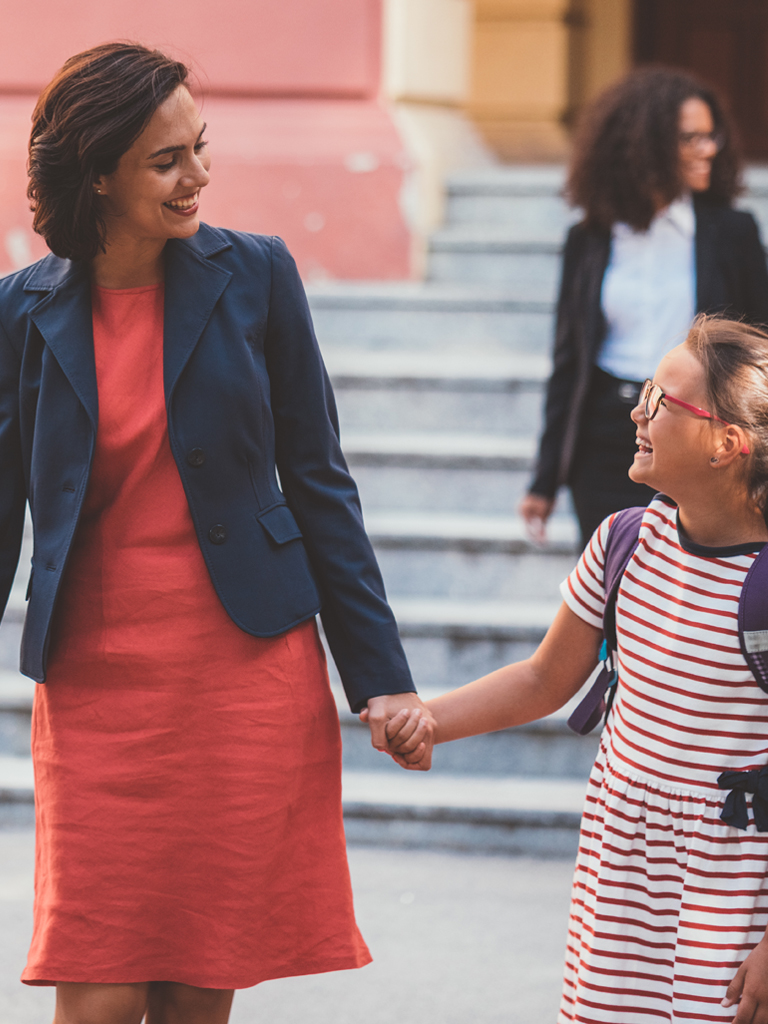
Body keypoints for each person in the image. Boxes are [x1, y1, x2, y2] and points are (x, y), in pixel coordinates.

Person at [0, 43, 434, 1024]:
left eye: (201, 147)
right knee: (98, 990)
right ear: (98, 172)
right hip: (97, 682)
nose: (198, 176)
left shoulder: (257, 275)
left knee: (198, 989)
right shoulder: (21, 311)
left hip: (242, 672)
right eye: (165, 161)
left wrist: (381, 676)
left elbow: (321, 482)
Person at [387, 314, 768, 1023]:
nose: (636, 410)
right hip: (625, 860)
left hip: (735, 874)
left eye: (660, 401)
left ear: (727, 444)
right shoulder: (626, 541)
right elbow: (542, 679)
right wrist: (430, 720)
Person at [521, 67, 768, 550]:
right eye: (690, 138)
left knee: (686, 586)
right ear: (644, 144)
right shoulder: (589, 238)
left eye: (711, 135)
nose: (709, 149)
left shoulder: (731, 232)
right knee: (608, 588)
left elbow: (760, 345)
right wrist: (544, 479)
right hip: (606, 434)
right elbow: (568, 362)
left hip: (698, 432)